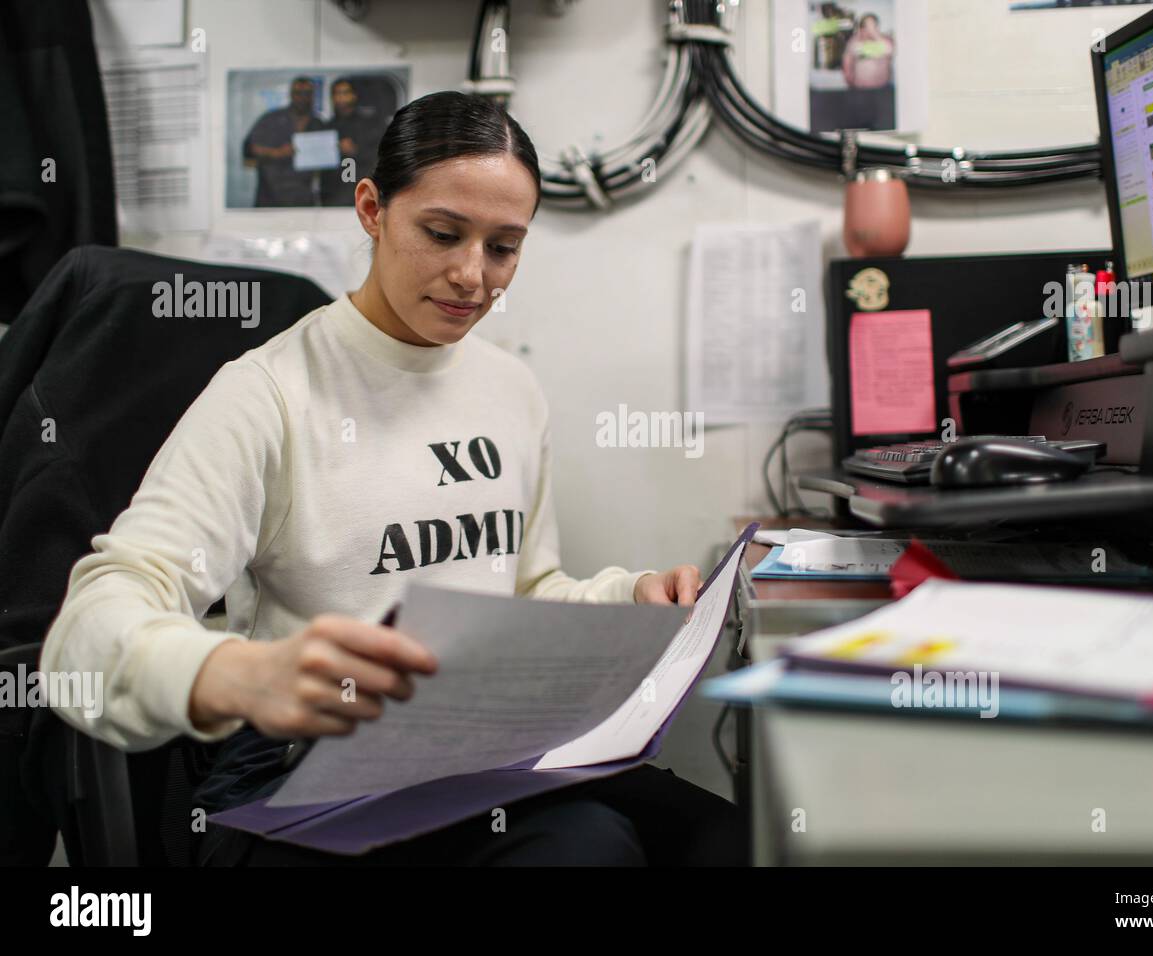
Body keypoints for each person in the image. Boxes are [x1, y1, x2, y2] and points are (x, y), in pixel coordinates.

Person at [39, 91, 746, 866]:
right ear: (372, 209)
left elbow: (526, 590)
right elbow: (87, 636)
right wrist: (239, 672)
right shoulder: (269, 393)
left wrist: (625, 599)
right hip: (308, 769)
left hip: (479, 746)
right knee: (582, 850)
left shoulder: (511, 389)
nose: (472, 276)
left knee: (730, 838)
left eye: (504, 247)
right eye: (442, 234)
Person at [241, 76, 326, 207]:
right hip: (270, 198)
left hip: (303, 200)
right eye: (298, 93)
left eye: (307, 93)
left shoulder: (318, 124)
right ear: (291, 95)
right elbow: (248, 150)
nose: (303, 97)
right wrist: (276, 153)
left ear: (313, 96)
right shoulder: (270, 119)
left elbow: (327, 161)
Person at [320, 77, 389, 207]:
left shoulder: (372, 123)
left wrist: (357, 152)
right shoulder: (327, 127)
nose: (341, 98)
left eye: (345, 93)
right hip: (334, 195)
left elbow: (384, 154)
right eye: (337, 94)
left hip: (366, 190)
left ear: (354, 95)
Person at [842, 12, 895, 90]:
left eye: (873, 25)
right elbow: (847, 63)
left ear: (877, 26)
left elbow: (890, 49)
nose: (869, 29)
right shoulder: (854, 41)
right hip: (859, 89)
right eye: (866, 25)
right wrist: (850, 82)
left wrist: (875, 33)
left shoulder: (885, 40)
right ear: (861, 27)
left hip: (883, 88)